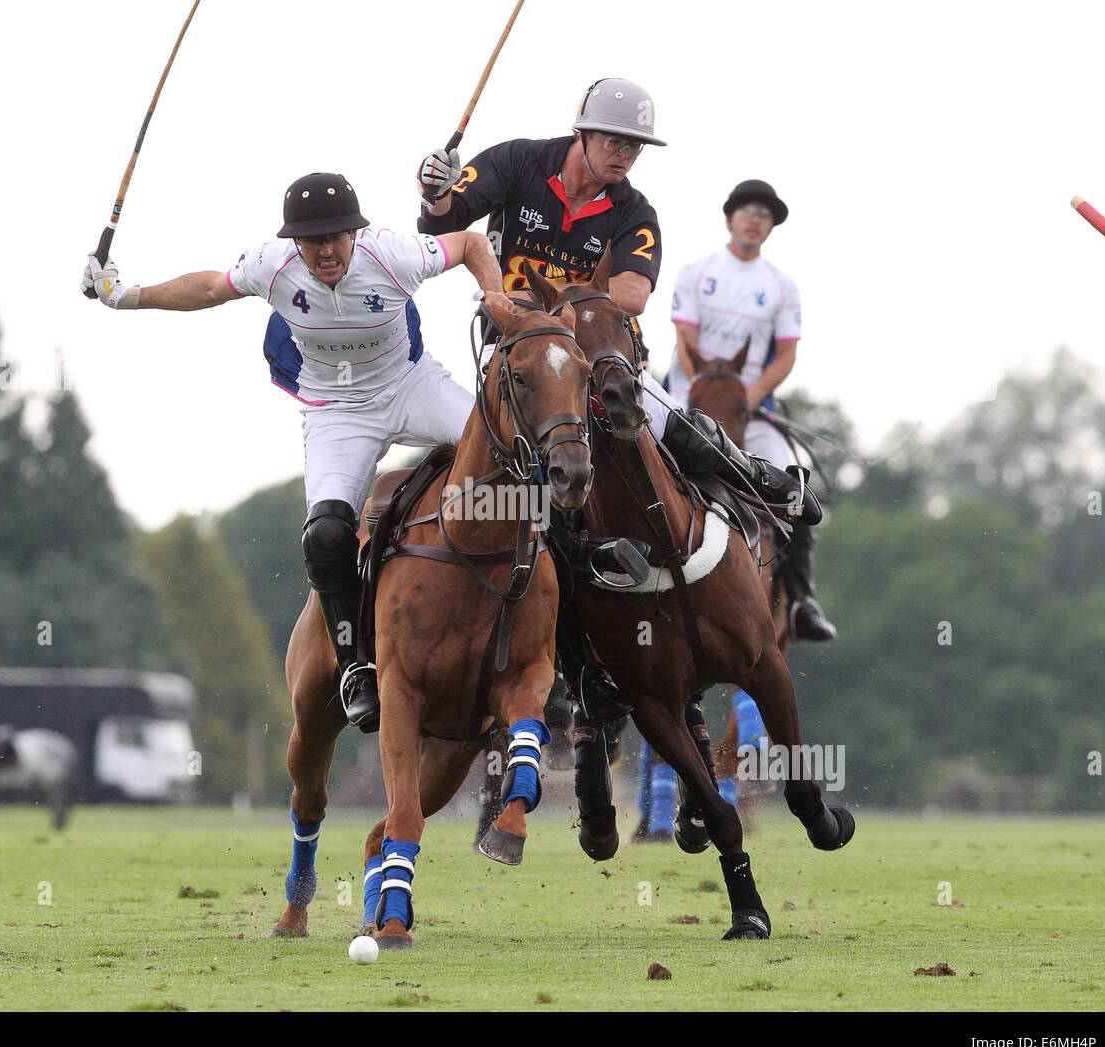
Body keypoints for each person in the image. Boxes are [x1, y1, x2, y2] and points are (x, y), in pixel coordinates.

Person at [415, 79, 824, 721]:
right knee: (512, 490)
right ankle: (557, 657)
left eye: (635, 145)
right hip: (522, 368)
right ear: (582, 132)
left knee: (671, 425)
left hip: (603, 366)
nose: (625, 154)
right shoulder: (518, 161)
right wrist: (435, 187)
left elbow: (631, 293)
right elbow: (439, 222)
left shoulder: (634, 211)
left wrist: (551, 297)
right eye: (615, 140)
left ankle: (762, 481)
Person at [82, 172, 512, 731]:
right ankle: (357, 664)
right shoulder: (273, 265)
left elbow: (472, 243)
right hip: (336, 409)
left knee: (514, 463)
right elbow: (210, 288)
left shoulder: (393, 255)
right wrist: (125, 296)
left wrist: (496, 297)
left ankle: (556, 633)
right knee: (327, 536)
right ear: (294, 242)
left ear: (355, 234)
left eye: (337, 237)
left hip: (411, 386)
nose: (327, 251)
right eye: (313, 241)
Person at [668, 178, 836, 641]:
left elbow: (785, 354)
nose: (756, 219)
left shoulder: (781, 286)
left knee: (794, 480)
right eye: (748, 210)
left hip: (750, 412)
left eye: (765, 214)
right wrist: (707, 388)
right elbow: (686, 341)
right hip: (684, 403)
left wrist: (748, 394)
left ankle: (801, 599)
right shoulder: (696, 272)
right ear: (730, 218)